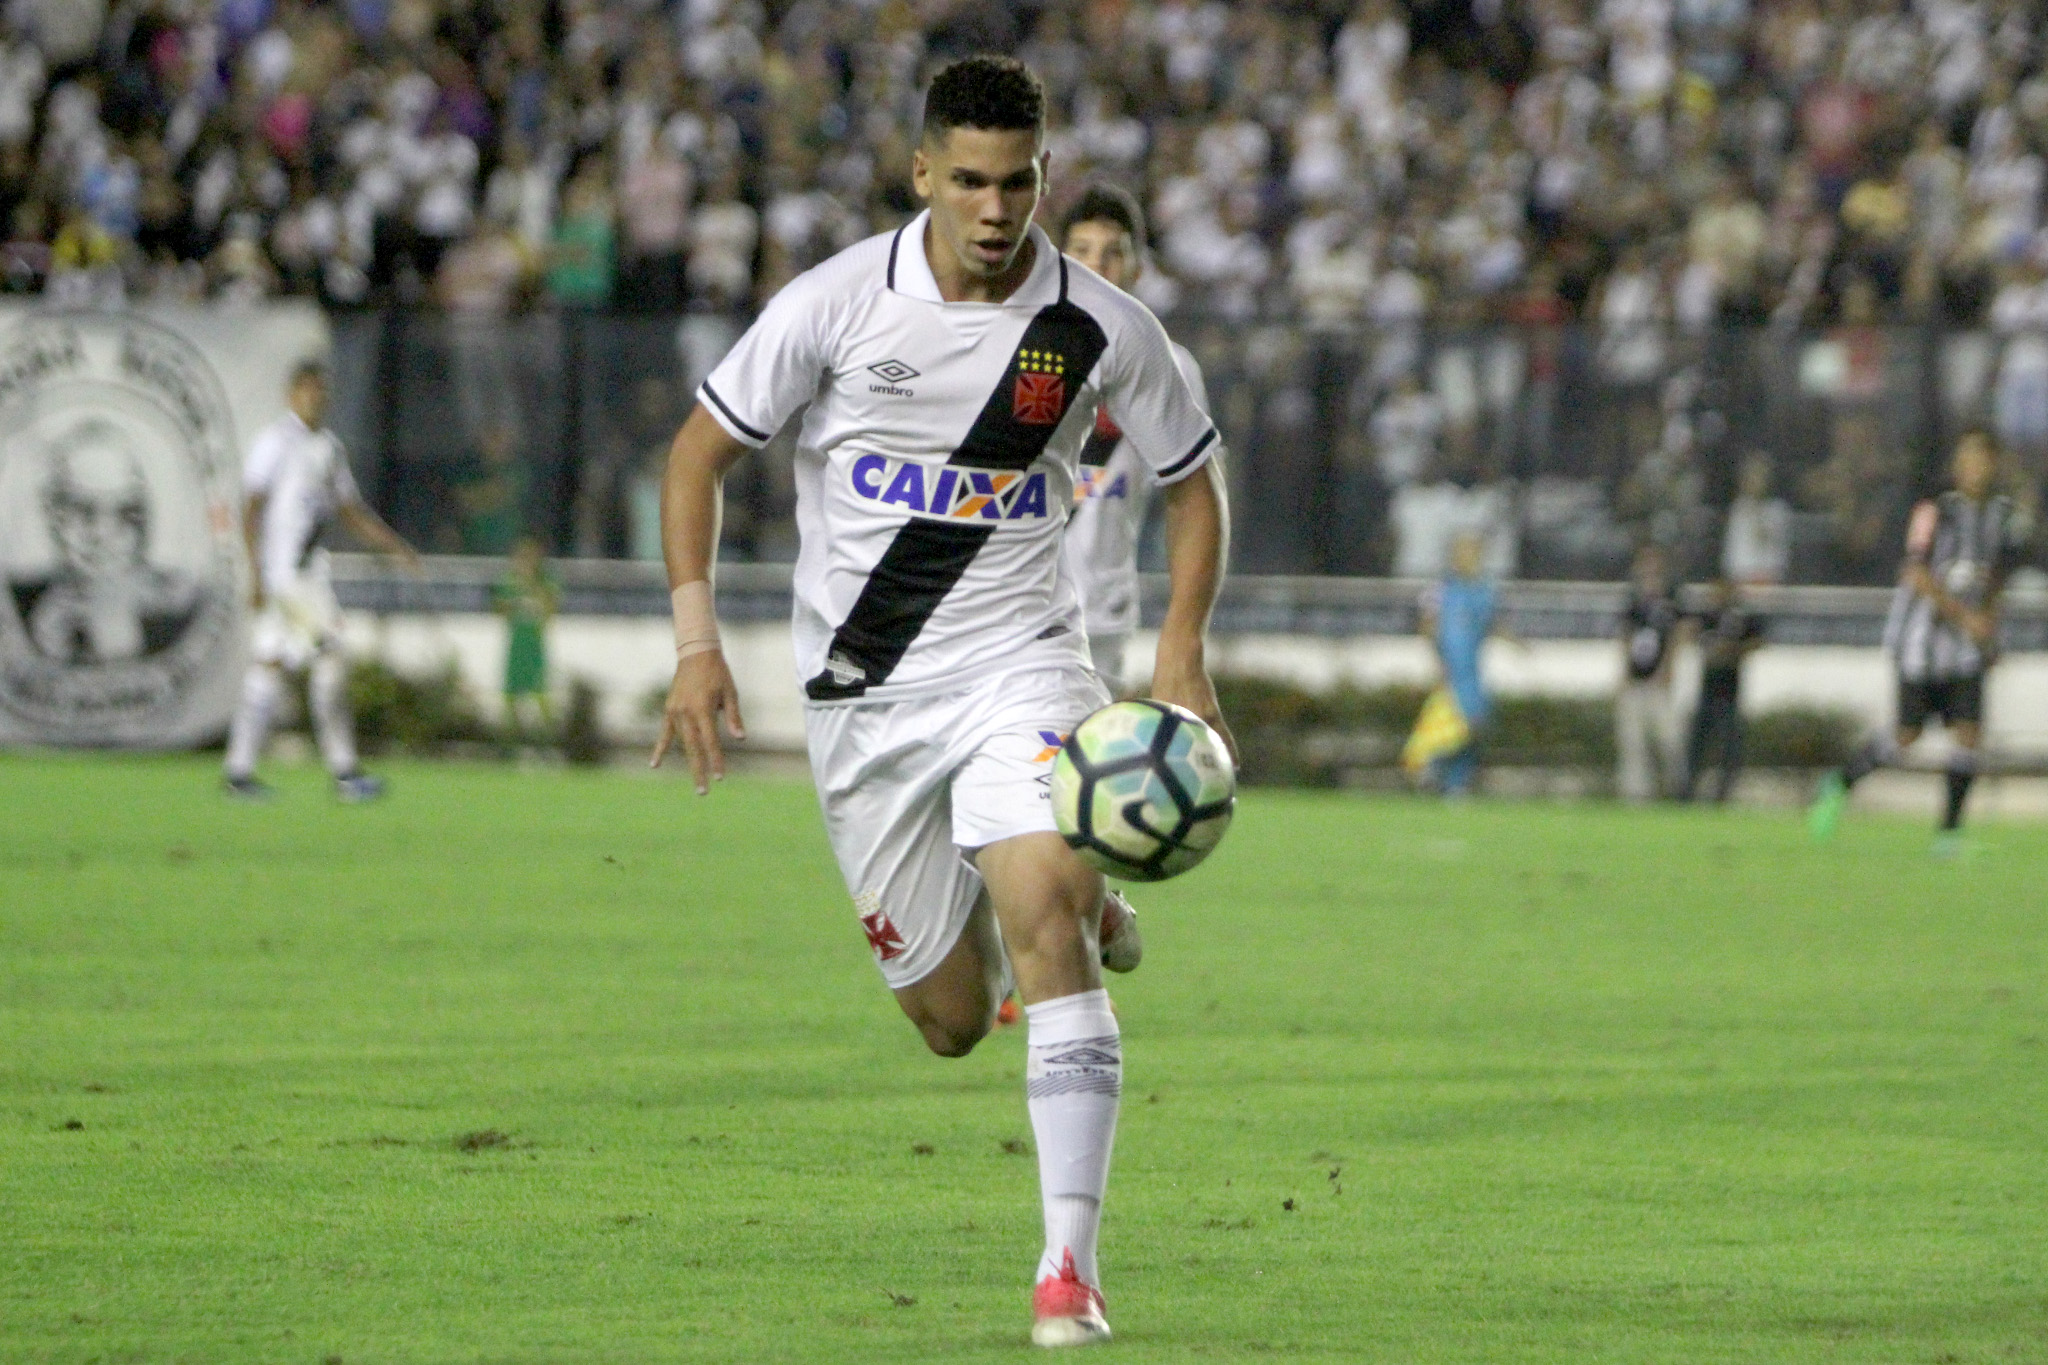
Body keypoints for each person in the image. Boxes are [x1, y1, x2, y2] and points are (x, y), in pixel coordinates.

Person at [648, 57, 1232, 1349]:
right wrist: (695, 643)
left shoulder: (1095, 327)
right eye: (967, 180)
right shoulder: (836, 304)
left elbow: (1195, 480)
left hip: (1021, 665)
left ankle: (1068, 1266)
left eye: (1016, 182)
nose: (993, 207)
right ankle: (1071, 887)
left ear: (1044, 176)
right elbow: (697, 456)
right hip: (863, 703)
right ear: (921, 173)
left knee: (1042, 908)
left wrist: (1180, 653)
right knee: (953, 1022)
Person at [1810, 430, 2025, 851]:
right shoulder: (1933, 512)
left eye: (1982, 459)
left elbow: (1996, 579)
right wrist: (1966, 618)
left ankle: (1948, 836)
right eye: (1967, 458)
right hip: (1919, 642)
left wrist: (1988, 629)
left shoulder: (2001, 516)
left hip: (1965, 649)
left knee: (1969, 735)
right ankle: (1840, 781)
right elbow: (1916, 573)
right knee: (1906, 736)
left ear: (1993, 464)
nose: (1974, 467)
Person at [223, 360, 419, 801]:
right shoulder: (275, 442)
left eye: (321, 389)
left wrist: (394, 546)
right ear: (291, 394)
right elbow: (251, 508)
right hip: (288, 576)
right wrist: (254, 573)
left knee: (269, 665)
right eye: (308, 389)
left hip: (307, 574)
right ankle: (344, 772)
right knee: (330, 658)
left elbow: (350, 510)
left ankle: (238, 772)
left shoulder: (328, 447)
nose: (317, 397)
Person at [1057, 182, 1211, 694]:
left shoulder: (1170, 367)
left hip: (1100, 611)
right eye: (1081, 251)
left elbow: (1193, 499)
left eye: (1112, 253)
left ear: (1138, 267)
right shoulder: (1016, 352)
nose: (1096, 267)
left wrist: (1185, 632)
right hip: (1011, 607)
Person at [1415, 530, 1499, 797]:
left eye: (1473, 553)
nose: (1469, 558)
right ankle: (1433, 768)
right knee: (1450, 724)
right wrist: (1436, 659)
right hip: (1450, 669)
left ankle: (1457, 781)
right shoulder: (1440, 589)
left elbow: (1491, 623)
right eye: (1463, 552)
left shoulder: (1485, 590)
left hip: (1472, 672)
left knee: (1474, 725)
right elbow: (1427, 625)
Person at [1679, 577, 1765, 803]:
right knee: (1697, 745)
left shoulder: (1740, 617)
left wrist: (1733, 650)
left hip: (1730, 691)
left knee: (1729, 747)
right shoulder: (1708, 617)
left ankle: (1722, 794)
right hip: (1708, 690)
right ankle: (1687, 792)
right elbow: (1691, 635)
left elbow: (1758, 640)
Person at [1615, 543, 1682, 802]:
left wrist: (1669, 668)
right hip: (1636, 677)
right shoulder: (1633, 599)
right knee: (1633, 739)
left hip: (1659, 679)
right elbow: (1626, 635)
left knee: (1668, 736)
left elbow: (1677, 635)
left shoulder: (1671, 599)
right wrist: (1623, 672)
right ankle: (1637, 793)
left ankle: (1675, 789)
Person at [493, 536, 558, 743]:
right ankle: (509, 742)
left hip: (535, 645)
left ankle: (549, 740)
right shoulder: (509, 580)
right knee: (511, 694)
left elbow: (551, 607)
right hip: (516, 644)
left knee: (541, 693)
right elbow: (500, 609)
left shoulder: (546, 580)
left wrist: (532, 586)